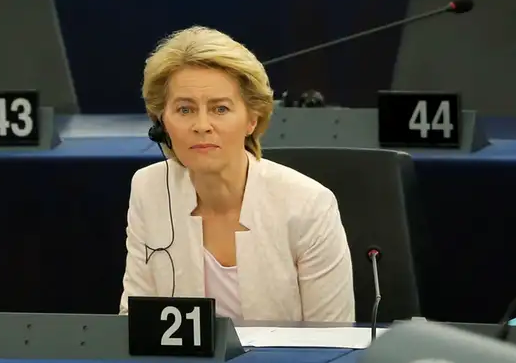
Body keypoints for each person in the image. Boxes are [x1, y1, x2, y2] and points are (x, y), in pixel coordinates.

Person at [120, 26, 355, 323]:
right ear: (161, 123)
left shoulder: (308, 205)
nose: (202, 125)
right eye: (185, 110)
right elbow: (134, 321)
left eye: (220, 109)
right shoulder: (149, 188)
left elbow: (333, 339)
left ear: (251, 120)